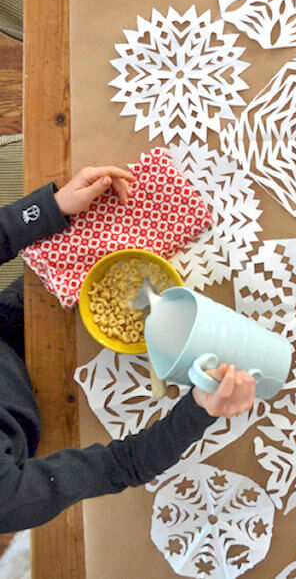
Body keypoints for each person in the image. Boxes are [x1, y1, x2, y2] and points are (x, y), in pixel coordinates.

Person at [0, 165, 256, 532]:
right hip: (40, 401)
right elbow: (121, 466)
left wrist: (49, 208)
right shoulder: (9, 497)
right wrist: (200, 410)